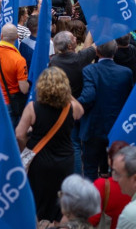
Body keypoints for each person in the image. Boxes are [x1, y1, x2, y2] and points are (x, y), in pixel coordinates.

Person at [16, 67, 84, 222]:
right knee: (62, 204)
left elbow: (19, 134)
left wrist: (27, 144)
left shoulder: (33, 107)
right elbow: (80, 112)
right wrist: (67, 95)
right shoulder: (70, 107)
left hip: (40, 160)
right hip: (64, 160)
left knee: (36, 201)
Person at [78, 40, 135, 181]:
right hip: (115, 127)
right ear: (115, 51)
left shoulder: (89, 70)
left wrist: (75, 105)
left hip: (93, 127)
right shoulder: (125, 73)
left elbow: (88, 97)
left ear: (97, 51)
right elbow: (130, 99)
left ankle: (93, 201)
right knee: (113, 170)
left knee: (90, 169)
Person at [0, 23, 29, 126]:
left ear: (1, 36)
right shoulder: (19, 60)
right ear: (17, 38)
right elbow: (24, 89)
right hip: (9, 104)